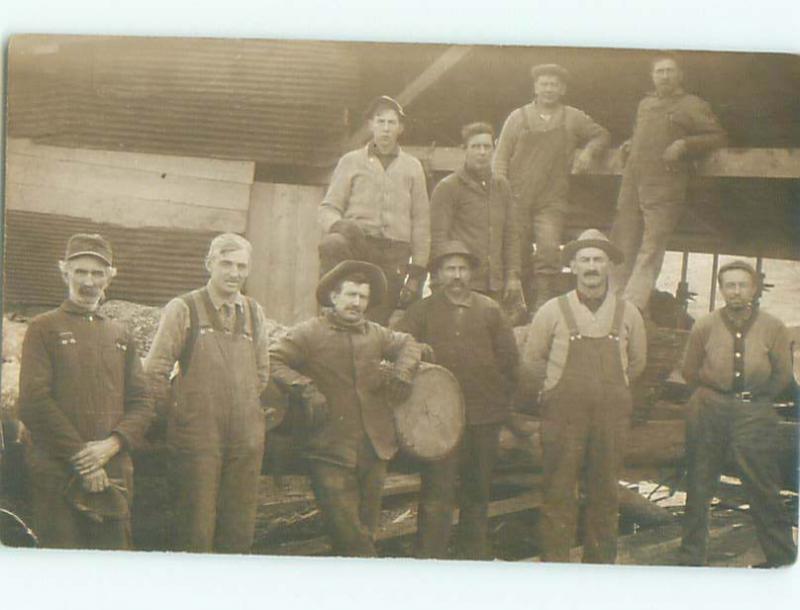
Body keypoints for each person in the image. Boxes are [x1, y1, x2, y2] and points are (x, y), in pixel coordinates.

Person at [269, 260, 422, 556]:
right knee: (348, 533)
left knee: (366, 528)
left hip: (374, 447)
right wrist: (304, 387)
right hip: (328, 448)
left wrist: (403, 372)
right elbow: (271, 359)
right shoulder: (309, 333)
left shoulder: (376, 333)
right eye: (351, 295)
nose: (357, 303)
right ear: (333, 297)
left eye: (363, 297)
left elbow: (409, 344)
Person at [519, 229, 646, 563]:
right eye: (585, 259)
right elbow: (532, 362)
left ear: (609, 267)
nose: (592, 266)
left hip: (610, 419)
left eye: (598, 259)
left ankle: (598, 571)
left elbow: (637, 363)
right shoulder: (551, 310)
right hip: (563, 418)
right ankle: (556, 569)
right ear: (573, 266)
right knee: (558, 492)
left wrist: (606, 393)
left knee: (605, 494)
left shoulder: (628, 313)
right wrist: (559, 387)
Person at [19, 233, 153, 549]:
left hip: (114, 470)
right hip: (58, 469)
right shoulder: (43, 327)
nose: (88, 281)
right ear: (64, 271)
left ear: (110, 276)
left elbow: (142, 402)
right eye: (80, 271)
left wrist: (113, 444)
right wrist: (84, 459)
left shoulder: (121, 333)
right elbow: (33, 401)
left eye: (97, 273)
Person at [144, 233, 271, 553]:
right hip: (197, 436)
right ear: (209, 264)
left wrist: (242, 412)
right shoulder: (184, 308)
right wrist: (174, 418)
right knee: (195, 528)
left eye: (241, 265)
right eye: (226, 263)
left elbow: (261, 373)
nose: (234, 272)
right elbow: (155, 371)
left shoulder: (254, 312)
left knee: (238, 529)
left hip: (244, 438)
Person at [396, 241, 519, 559]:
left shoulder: (490, 311)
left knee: (477, 493)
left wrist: (497, 404)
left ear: (472, 274)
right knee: (437, 493)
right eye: (450, 268)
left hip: (483, 417)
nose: (457, 275)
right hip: (439, 421)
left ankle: (472, 559)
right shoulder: (421, 312)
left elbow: (509, 362)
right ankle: (430, 561)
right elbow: (400, 350)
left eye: (463, 269)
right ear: (437, 274)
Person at [678, 260, 796, 567]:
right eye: (729, 285)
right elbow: (689, 369)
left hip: (754, 412)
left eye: (743, 285)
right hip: (709, 410)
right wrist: (716, 394)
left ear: (754, 289)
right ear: (721, 290)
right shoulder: (705, 325)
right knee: (700, 483)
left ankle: (781, 558)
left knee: (763, 485)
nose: (736, 291)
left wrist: (756, 400)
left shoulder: (773, 326)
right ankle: (691, 560)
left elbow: (782, 375)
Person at [609, 53, 727, 314]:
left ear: (679, 75)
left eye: (669, 71)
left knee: (651, 246)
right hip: (633, 184)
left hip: (665, 186)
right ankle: (611, 299)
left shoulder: (691, 104)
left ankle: (632, 305)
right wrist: (631, 143)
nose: (664, 76)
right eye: (659, 71)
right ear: (652, 76)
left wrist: (685, 144)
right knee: (622, 242)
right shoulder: (645, 104)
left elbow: (716, 135)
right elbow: (647, 134)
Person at [494, 63, 610, 312]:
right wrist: (500, 191)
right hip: (517, 196)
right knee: (515, 251)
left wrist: (589, 152)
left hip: (551, 199)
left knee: (548, 249)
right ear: (535, 87)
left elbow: (601, 134)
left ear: (563, 89)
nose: (549, 89)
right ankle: (516, 305)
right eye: (544, 84)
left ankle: (543, 303)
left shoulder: (572, 117)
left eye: (554, 85)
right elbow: (501, 156)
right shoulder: (518, 117)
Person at [318, 95, 430, 324]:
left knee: (375, 322)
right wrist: (341, 226)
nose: (385, 129)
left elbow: (420, 221)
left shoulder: (412, 167)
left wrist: (417, 271)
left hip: (393, 254)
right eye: (380, 122)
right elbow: (329, 207)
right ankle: (329, 312)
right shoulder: (351, 161)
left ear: (401, 128)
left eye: (391, 123)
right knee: (332, 244)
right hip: (357, 246)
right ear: (371, 125)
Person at [430, 122, 522, 308]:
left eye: (487, 147)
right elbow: (438, 238)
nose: (482, 152)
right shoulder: (448, 187)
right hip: (461, 284)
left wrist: (513, 276)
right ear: (465, 150)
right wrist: (440, 280)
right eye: (475, 146)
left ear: (494, 149)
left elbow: (511, 235)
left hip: (494, 285)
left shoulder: (502, 187)